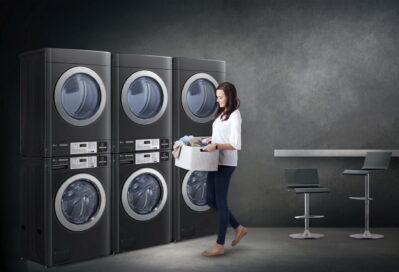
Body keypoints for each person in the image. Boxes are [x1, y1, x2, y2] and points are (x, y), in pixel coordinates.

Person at [201, 82, 248, 257]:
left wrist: (216, 145)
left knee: (220, 202)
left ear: (230, 96)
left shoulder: (235, 115)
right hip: (214, 161)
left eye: (220, 96)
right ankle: (239, 227)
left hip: (226, 163)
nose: (217, 99)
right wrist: (210, 139)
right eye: (217, 96)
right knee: (209, 199)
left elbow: (236, 144)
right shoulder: (222, 114)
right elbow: (221, 135)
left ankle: (219, 245)